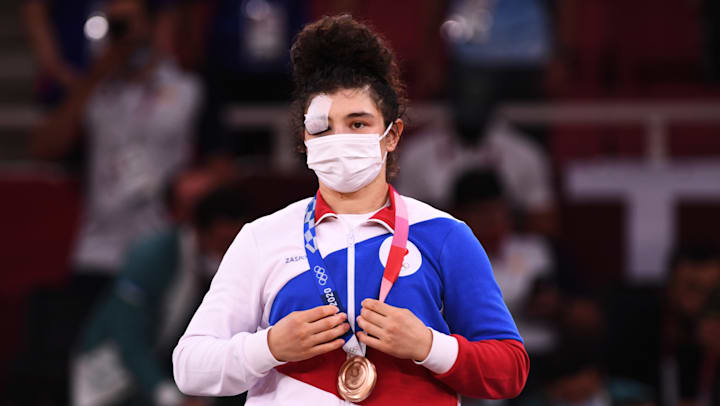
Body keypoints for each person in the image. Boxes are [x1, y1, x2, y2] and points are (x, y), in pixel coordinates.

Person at [172, 15, 529, 405]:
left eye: (358, 124)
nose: (339, 138)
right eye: (322, 127)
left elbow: (510, 370)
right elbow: (190, 368)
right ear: (305, 138)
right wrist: (269, 346)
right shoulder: (262, 238)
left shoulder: (445, 235)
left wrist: (429, 345)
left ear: (392, 135)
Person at [72, 184, 249, 406]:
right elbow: (129, 335)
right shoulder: (151, 255)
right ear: (200, 230)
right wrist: (168, 395)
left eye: (235, 241)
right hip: (113, 364)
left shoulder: (220, 267)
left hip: (165, 364)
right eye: (223, 240)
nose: (228, 249)